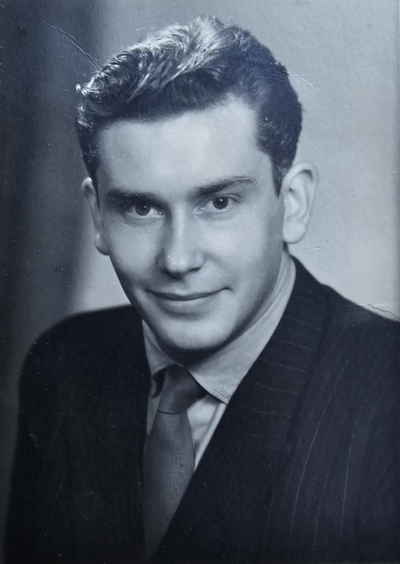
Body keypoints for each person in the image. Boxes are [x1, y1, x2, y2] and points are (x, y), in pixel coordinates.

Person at [5, 17, 399, 564]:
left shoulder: (388, 393)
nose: (178, 258)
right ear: (97, 217)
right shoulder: (64, 365)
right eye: (141, 208)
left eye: (218, 203)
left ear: (293, 204)